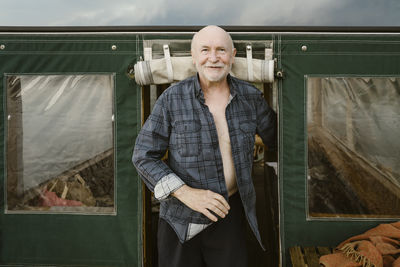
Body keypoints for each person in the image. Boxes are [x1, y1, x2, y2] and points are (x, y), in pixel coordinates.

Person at [132, 25, 277, 267]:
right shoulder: (172, 99)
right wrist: (186, 193)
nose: (213, 57)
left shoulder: (251, 97)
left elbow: (280, 139)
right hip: (179, 220)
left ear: (232, 55)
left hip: (228, 214)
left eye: (221, 50)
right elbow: (144, 156)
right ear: (194, 55)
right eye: (205, 50)